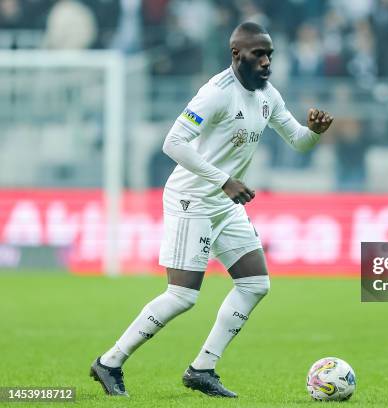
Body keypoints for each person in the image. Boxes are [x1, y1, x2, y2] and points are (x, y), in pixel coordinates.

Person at [90, 22, 333, 398]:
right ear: (237, 54)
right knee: (183, 296)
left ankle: (202, 368)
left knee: (255, 285)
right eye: (258, 54)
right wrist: (224, 179)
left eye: (270, 54)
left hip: (224, 201)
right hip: (194, 200)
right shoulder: (215, 93)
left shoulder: (269, 94)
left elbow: (298, 141)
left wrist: (314, 132)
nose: (267, 61)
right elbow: (173, 143)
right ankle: (110, 362)